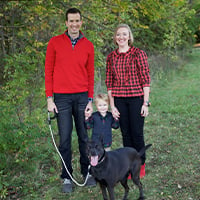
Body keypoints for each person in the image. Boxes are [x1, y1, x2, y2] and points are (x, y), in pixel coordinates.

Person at [45, 8, 96, 193]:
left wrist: (90, 100)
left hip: (82, 97)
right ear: (66, 23)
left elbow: (90, 74)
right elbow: (48, 71)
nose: (74, 24)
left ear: (81, 22)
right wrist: (50, 99)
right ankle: (66, 176)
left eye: (77, 21)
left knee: (84, 137)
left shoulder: (88, 45)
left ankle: (87, 172)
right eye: (71, 21)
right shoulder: (54, 42)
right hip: (62, 99)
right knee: (65, 139)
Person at [105, 24, 151, 178]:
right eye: (118, 34)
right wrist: (112, 106)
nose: (121, 37)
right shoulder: (111, 57)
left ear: (129, 37)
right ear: (115, 38)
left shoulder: (138, 54)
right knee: (125, 134)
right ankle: (129, 165)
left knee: (137, 133)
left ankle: (141, 164)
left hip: (136, 98)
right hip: (119, 100)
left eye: (124, 34)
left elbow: (145, 80)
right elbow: (109, 83)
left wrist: (145, 103)